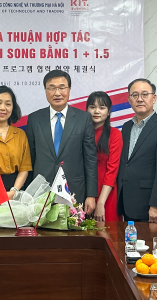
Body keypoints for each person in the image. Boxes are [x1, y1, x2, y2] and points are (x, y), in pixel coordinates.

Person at [25, 70, 98, 213]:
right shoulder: (34, 119)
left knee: (73, 234)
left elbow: (90, 159)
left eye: (62, 87)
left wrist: (91, 195)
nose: (57, 93)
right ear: (45, 91)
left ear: (69, 90)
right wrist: (28, 193)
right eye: (52, 88)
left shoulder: (83, 118)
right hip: (42, 191)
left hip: (74, 191)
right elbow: (29, 158)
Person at [117, 78, 157, 223]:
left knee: (153, 246)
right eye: (135, 95)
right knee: (130, 245)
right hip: (128, 204)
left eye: (145, 94)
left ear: (154, 98)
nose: (140, 99)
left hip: (151, 208)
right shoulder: (126, 127)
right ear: (129, 99)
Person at [87, 91, 123, 222]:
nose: (97, 111)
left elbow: (112, 171)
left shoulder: (115, 134)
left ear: (108, 112)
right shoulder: (81, 133)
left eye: (102, 107)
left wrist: (101, 203)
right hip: (84, 190)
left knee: (106, 234)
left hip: (106, 192)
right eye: (92, 107)